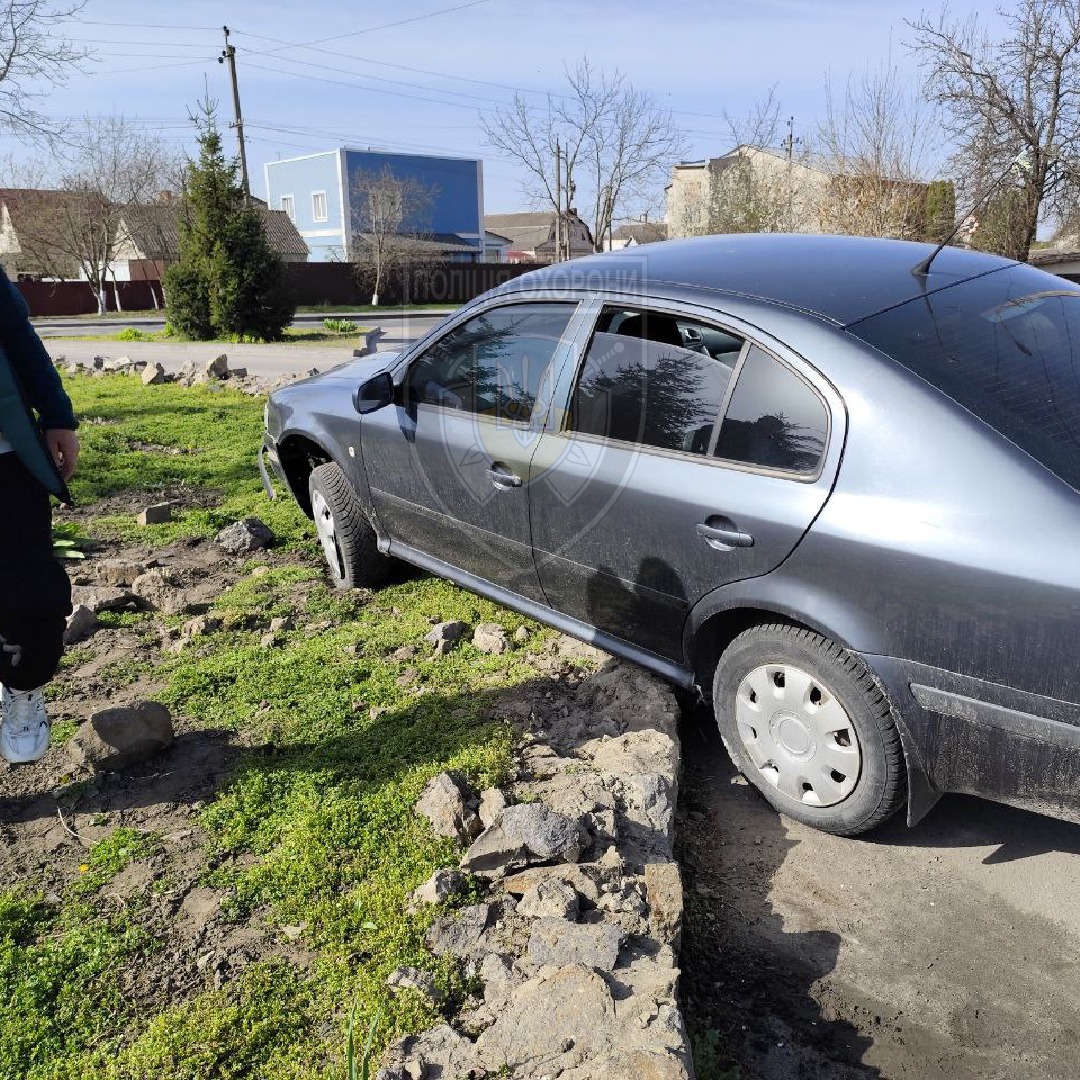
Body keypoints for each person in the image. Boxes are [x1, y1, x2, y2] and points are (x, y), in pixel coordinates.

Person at [0, 266, 79, 764]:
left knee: (28, 587)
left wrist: (56, 416)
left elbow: (17, 337)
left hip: (5, 458)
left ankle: (23, 686)